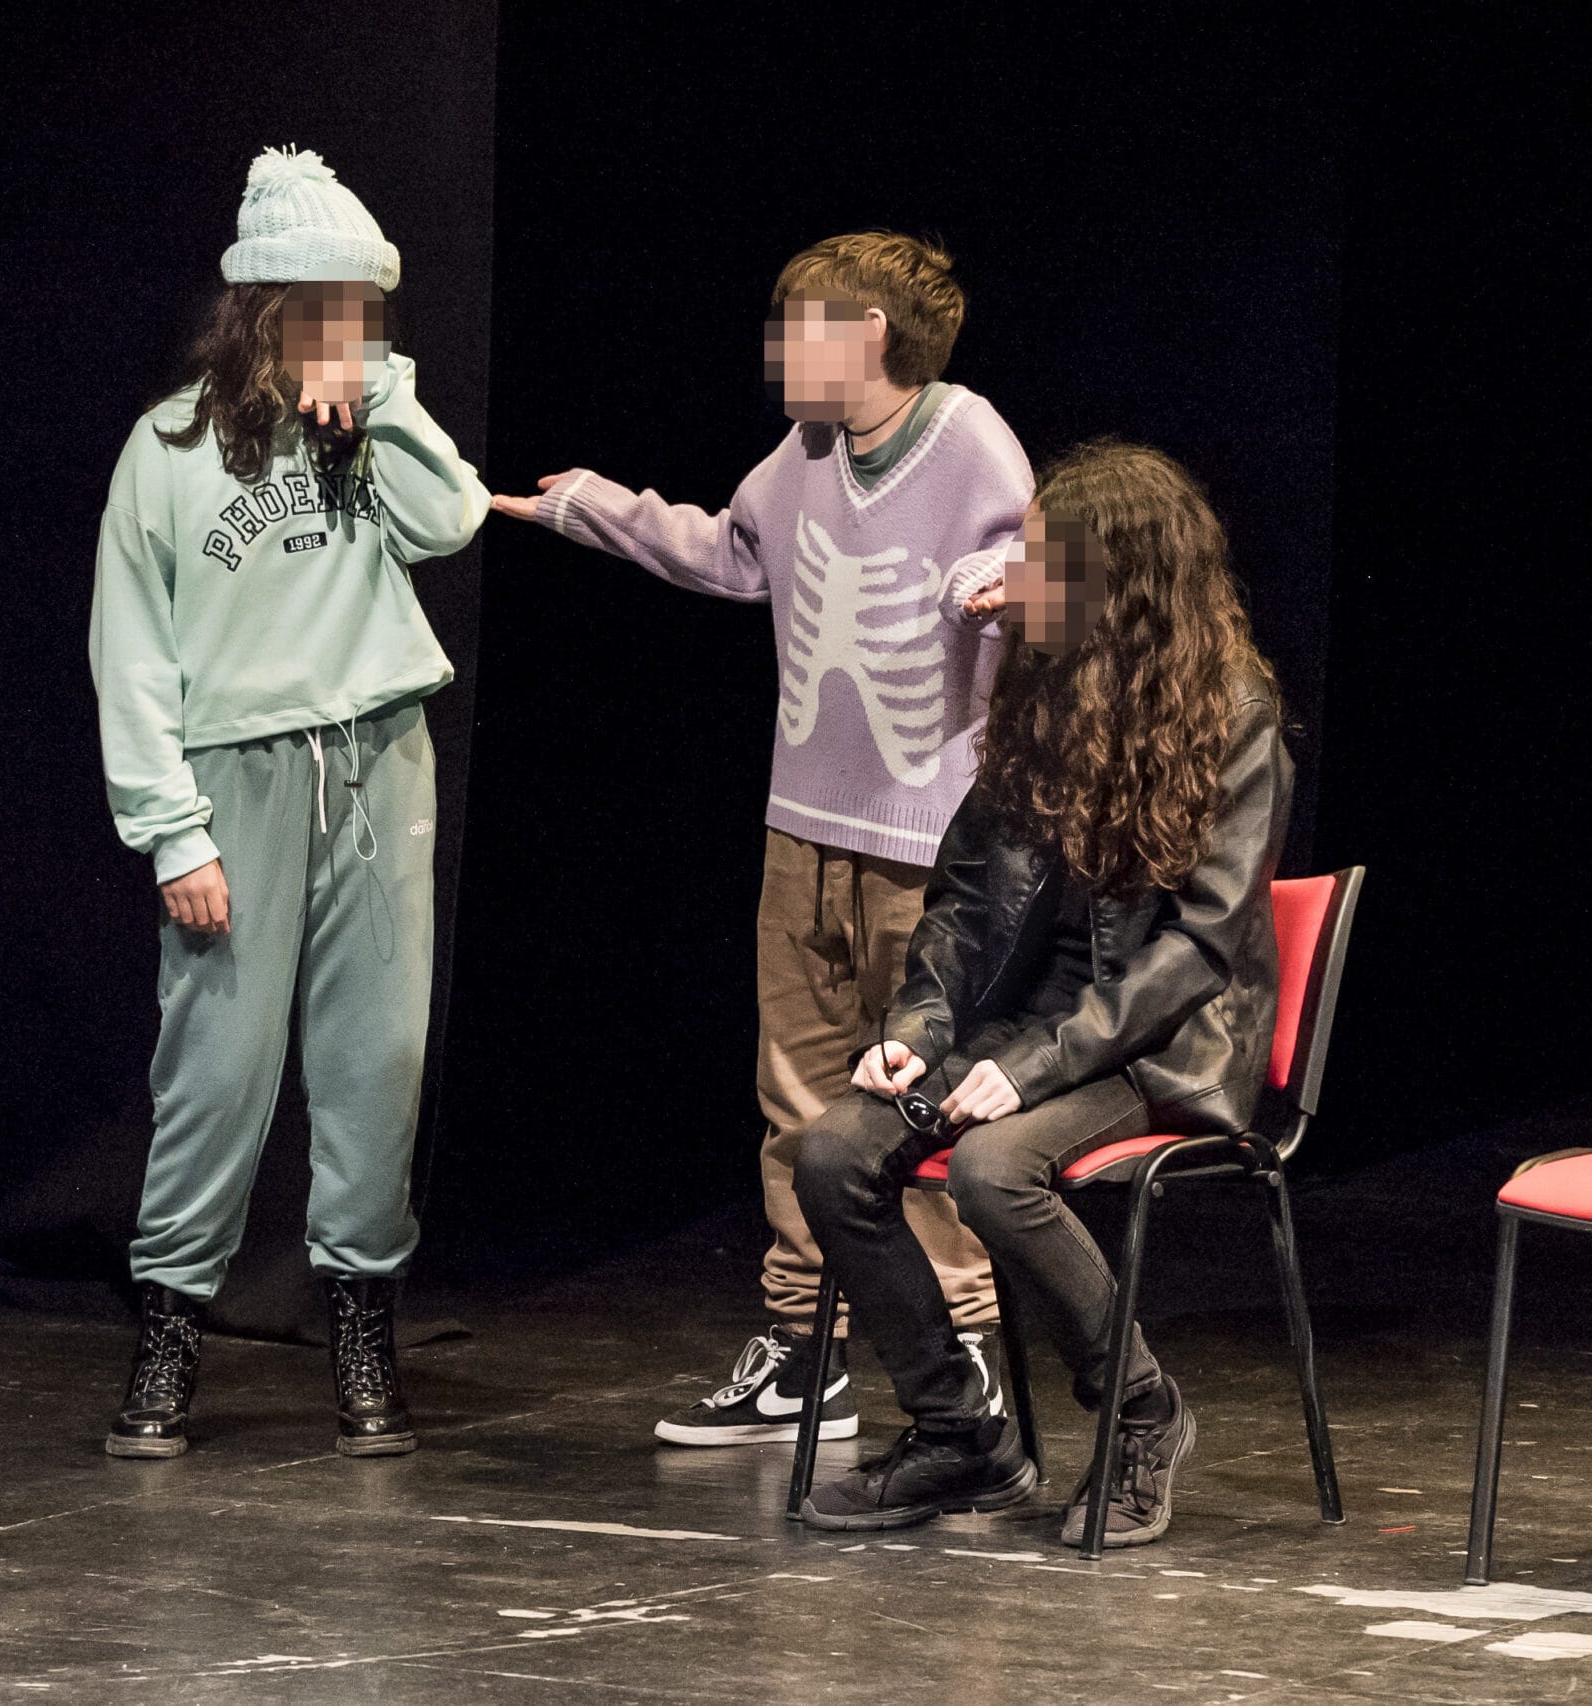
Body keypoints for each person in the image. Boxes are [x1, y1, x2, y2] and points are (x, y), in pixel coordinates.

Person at [492, 234, 1030, 1446]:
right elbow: (737, 555)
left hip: (927, 847)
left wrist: (996, 584)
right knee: (793, 1101)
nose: (777, 350)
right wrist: (590, 507)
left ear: (871, 337)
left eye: (799, 326)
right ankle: (803, 1348)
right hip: (804, 830)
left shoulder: (968, 437)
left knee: (928, 1098)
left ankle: (965, 1344)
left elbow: (1038, 567)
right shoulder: (805, 451)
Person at [793, 441, 1294, 1548]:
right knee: (833, 1153)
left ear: (1126, 576)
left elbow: (1199, 946)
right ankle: (959, 1431)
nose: (1025, 582)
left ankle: (1141, 1408)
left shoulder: (1234, 710)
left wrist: (1026, 1068)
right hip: (1021, 1025)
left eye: (1047, 562)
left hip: (1155, 1040)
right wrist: (917, 1028)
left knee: (993, 1167)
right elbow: (965, 898)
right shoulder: (1044, 686)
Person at [88, 147, 489, 1458]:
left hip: (377, 758)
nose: (355, 330)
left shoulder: (362, 433)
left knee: (378, 1061)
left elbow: (454, 516)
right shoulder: (166, 449)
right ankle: (170, 1328)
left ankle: (361, 1322)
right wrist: (172, 831)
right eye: (334, 308)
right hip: (234, 781)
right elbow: (130, 655)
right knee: (216, 1066)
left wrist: (380, 403)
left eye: (368, 311)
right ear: (269, 308)